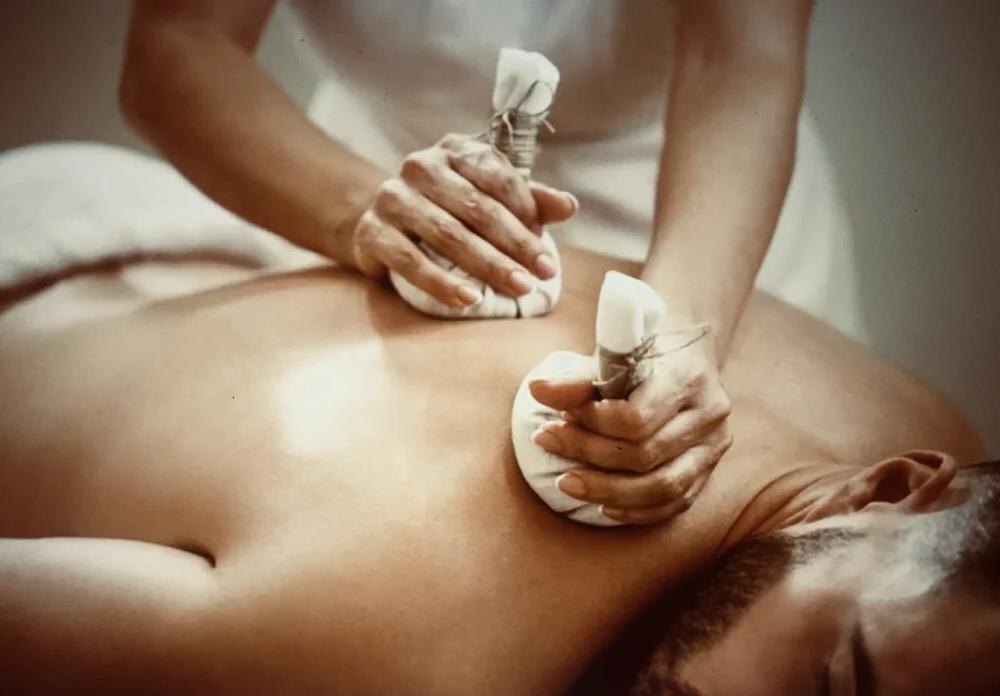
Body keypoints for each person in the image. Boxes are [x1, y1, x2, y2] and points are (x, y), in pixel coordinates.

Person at [0, 234, 991, 693]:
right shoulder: (405, 648)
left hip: (193, 264)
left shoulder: (935, 446)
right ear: (893, 485)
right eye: (833, 682)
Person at [118, 0, 854, 520]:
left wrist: (685, 327)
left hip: (703, 218)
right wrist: (362, 210)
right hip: (378, 190)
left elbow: (738, 52)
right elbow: (177, 40)